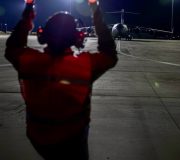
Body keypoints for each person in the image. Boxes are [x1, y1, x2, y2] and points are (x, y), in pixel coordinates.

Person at [5, 0, 118, 159]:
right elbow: (109, 54)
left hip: (38, 138)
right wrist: (94, 8)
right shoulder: (85, 65)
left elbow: (13, 47)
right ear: (77, 37)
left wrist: (29, 7)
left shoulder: (29, 61)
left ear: (43, 35)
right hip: (72, 139)